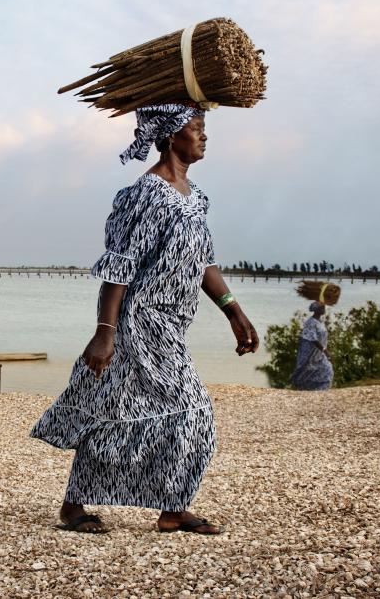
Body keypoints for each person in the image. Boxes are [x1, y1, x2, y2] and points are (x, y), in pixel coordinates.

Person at [30, 103, 259, 535]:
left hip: (173, 323)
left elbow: (203, 261)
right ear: (171, 136)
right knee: (193, 410)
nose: (204, 136)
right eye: (196, 128)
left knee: (119, 408)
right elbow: (120, 266)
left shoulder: (196, 197)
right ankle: (156, 506)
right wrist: (105, 332)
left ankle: (150, 507)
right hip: (140, 322)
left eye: (204, 128)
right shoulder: (146, 195)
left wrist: (234, 311)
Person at [290, 302, 334, 390]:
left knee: (327, 370)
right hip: (311, 355)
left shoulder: (320, 322)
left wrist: (325, 349)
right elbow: (313, 339)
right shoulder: (310, 323)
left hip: (319, 354)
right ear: (317, 310)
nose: (324, 309)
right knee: (307, 373)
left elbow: (322, 337)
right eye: (322, 308)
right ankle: (309, 391)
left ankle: (321, 391)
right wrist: (325, 350)